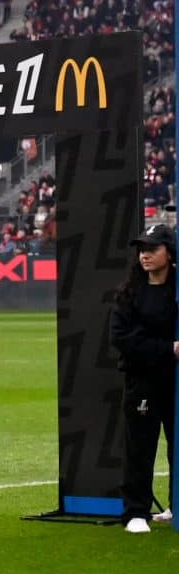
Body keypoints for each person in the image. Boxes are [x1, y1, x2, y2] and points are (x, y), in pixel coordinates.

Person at [110, 224, 177, 533]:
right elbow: (123, 337)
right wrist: (168, 349)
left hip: (174, 380)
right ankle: (136, 511)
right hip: (143, 381)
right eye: (141, 249)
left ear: (169, 252)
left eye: (152, 248)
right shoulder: (130, 293)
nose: (145, 254)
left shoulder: (175, 289)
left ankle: (175, 506)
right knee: (140, 446)